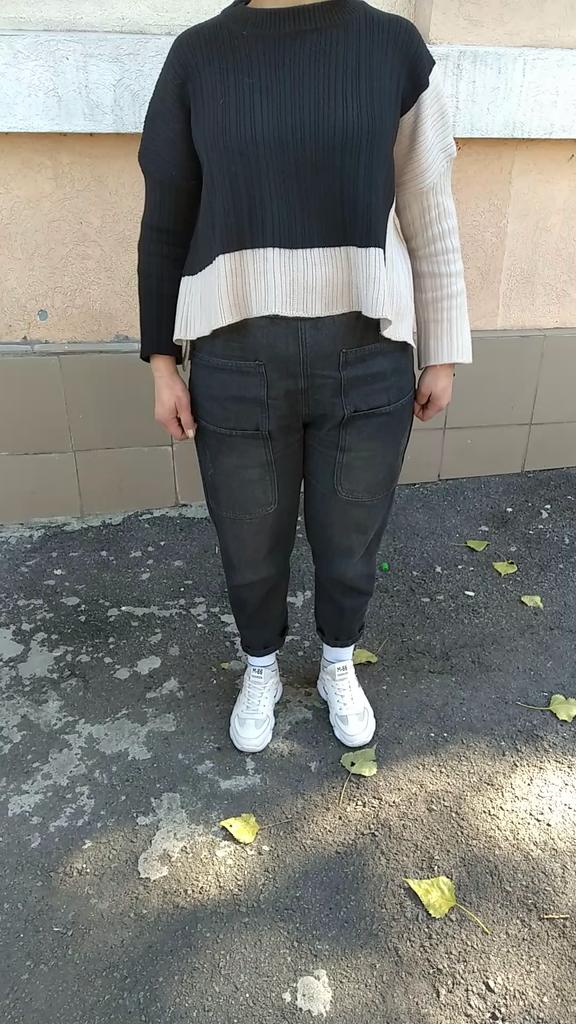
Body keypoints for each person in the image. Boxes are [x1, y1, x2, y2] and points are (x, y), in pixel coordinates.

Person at [137, 0, 472, 754]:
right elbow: (166, 219)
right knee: (248, 543)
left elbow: (429, 204)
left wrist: (443, 348)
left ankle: (336, 662)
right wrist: (162, 361)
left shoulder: (393, 48)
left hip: (368, 352)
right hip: (234, 353)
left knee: (350, 540)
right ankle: (260, 665)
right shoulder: (198, 57)